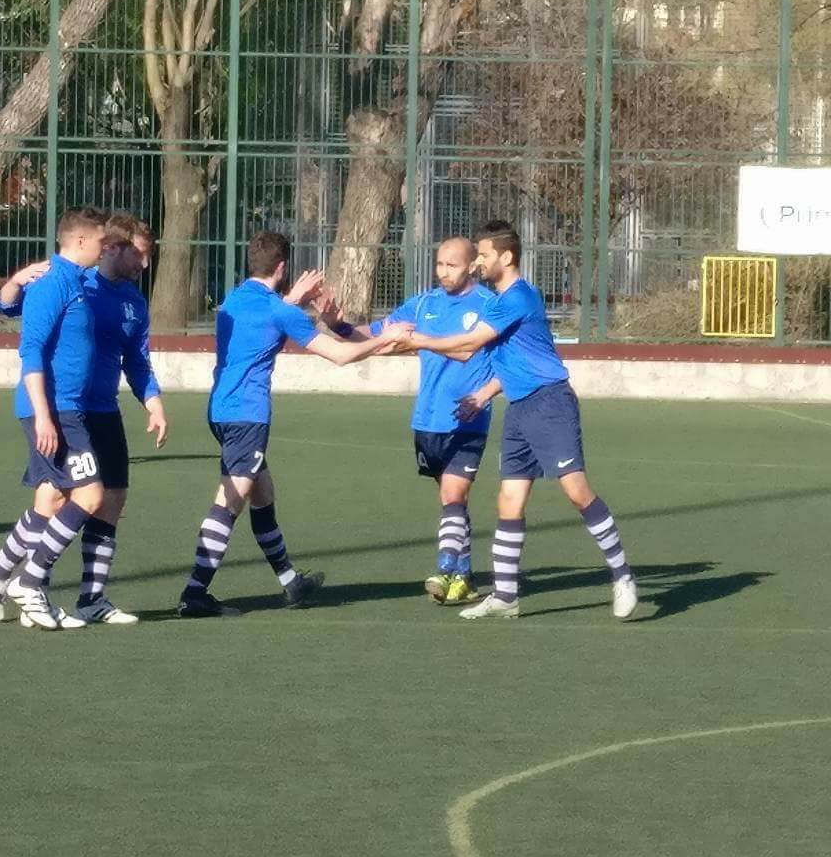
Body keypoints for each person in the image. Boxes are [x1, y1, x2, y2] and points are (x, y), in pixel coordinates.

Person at [389, 220, 637, 621]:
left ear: (506, 257)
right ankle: (505, 595)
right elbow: (477, 354)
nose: (478, 262)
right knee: (509, 499)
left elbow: (470, 343)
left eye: (484, 255)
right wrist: (485, 392)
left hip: (550, 403)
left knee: (576, 491)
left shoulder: (518, 297)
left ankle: (623, 576)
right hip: (519, 409)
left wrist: (416, 340)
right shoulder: (497, 301)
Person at [176, 231, 396, 618]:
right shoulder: (281, 312)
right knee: (230, 500)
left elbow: (266, 323)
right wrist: (383, 339)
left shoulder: (233, 300)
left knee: (262, 493)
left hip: (220, 410)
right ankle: (195, 593)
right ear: (282, 267)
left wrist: (293, 299)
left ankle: (291, 581)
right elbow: (340, 356)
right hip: (247, 415)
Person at [330, 237, 493, 605]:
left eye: (452, 265)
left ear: (471, 266)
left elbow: (500, 358)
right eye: (440, 264)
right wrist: (338, 325)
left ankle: (445, 569)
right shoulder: (423, 304)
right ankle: (465, 578)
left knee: (454, 495)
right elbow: (376, 335)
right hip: (427, 420)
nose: (443, 272)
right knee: (451, 503)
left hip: (468, 420)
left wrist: (484, 394)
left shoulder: (488, 306)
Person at [0, 207, 107, 630]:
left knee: (50, 500)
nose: (105, 248)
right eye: (101, 241)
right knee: (91, 496)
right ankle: (29, 582)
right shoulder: (54, 283)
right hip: (55, 410)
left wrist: (13, 285)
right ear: (81, 241)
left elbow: (8, 303)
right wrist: (44, 416)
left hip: (68, 408)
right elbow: (30, 349)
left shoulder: (76, 280)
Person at [71, 212, 169, 624]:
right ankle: (19, 580)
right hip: (69, 410)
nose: (144, 265)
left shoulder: (134, 301)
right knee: (58, 500)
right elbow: (20, 312)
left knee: (113, 499)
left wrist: (153, 402)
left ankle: (92, 599)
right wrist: (11, 290)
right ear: (114, 247)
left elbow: (137, 360)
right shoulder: (78, 285)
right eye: (140, 255)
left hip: (106, 411)